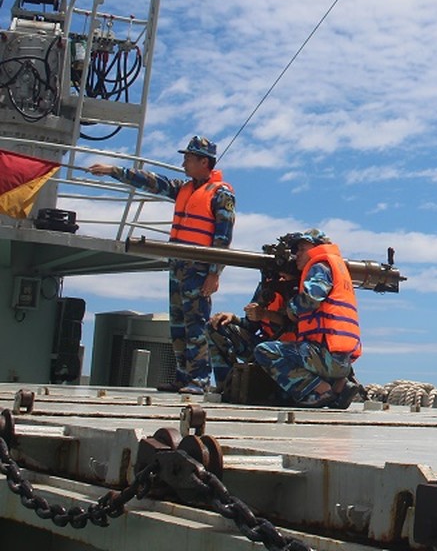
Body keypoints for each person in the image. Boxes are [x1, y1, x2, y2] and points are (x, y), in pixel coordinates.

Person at [89, 136, 236, 394]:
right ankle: (182, 376)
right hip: (177, 266)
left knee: (196, 324)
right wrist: (114, 171)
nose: (184, 163)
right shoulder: (184, 188)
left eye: (189, 159)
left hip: (199, 269)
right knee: (178, 325)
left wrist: (214, 273)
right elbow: (152, 182)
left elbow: (223, 237)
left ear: (204, 162)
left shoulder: (221, 194)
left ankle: (199, 379)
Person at [253, 229, 364, 408]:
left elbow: (312, 297)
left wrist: (291, 309)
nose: (296, 254)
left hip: (325, 355)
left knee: (264, 351)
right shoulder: (338, 269)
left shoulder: (319, 266)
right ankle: (339, 387)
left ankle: (321, 390)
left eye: (301, 249)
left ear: (317, 248)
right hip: (342, 361)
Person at [205, 273, 297, 393]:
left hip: (293, 354)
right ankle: (228, 387)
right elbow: (251, 325)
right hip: (263, 348)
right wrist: (233, 318)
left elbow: (296, 323)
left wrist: (265, 315)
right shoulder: (267, 286)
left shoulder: (301, 287)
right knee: (215, 326)